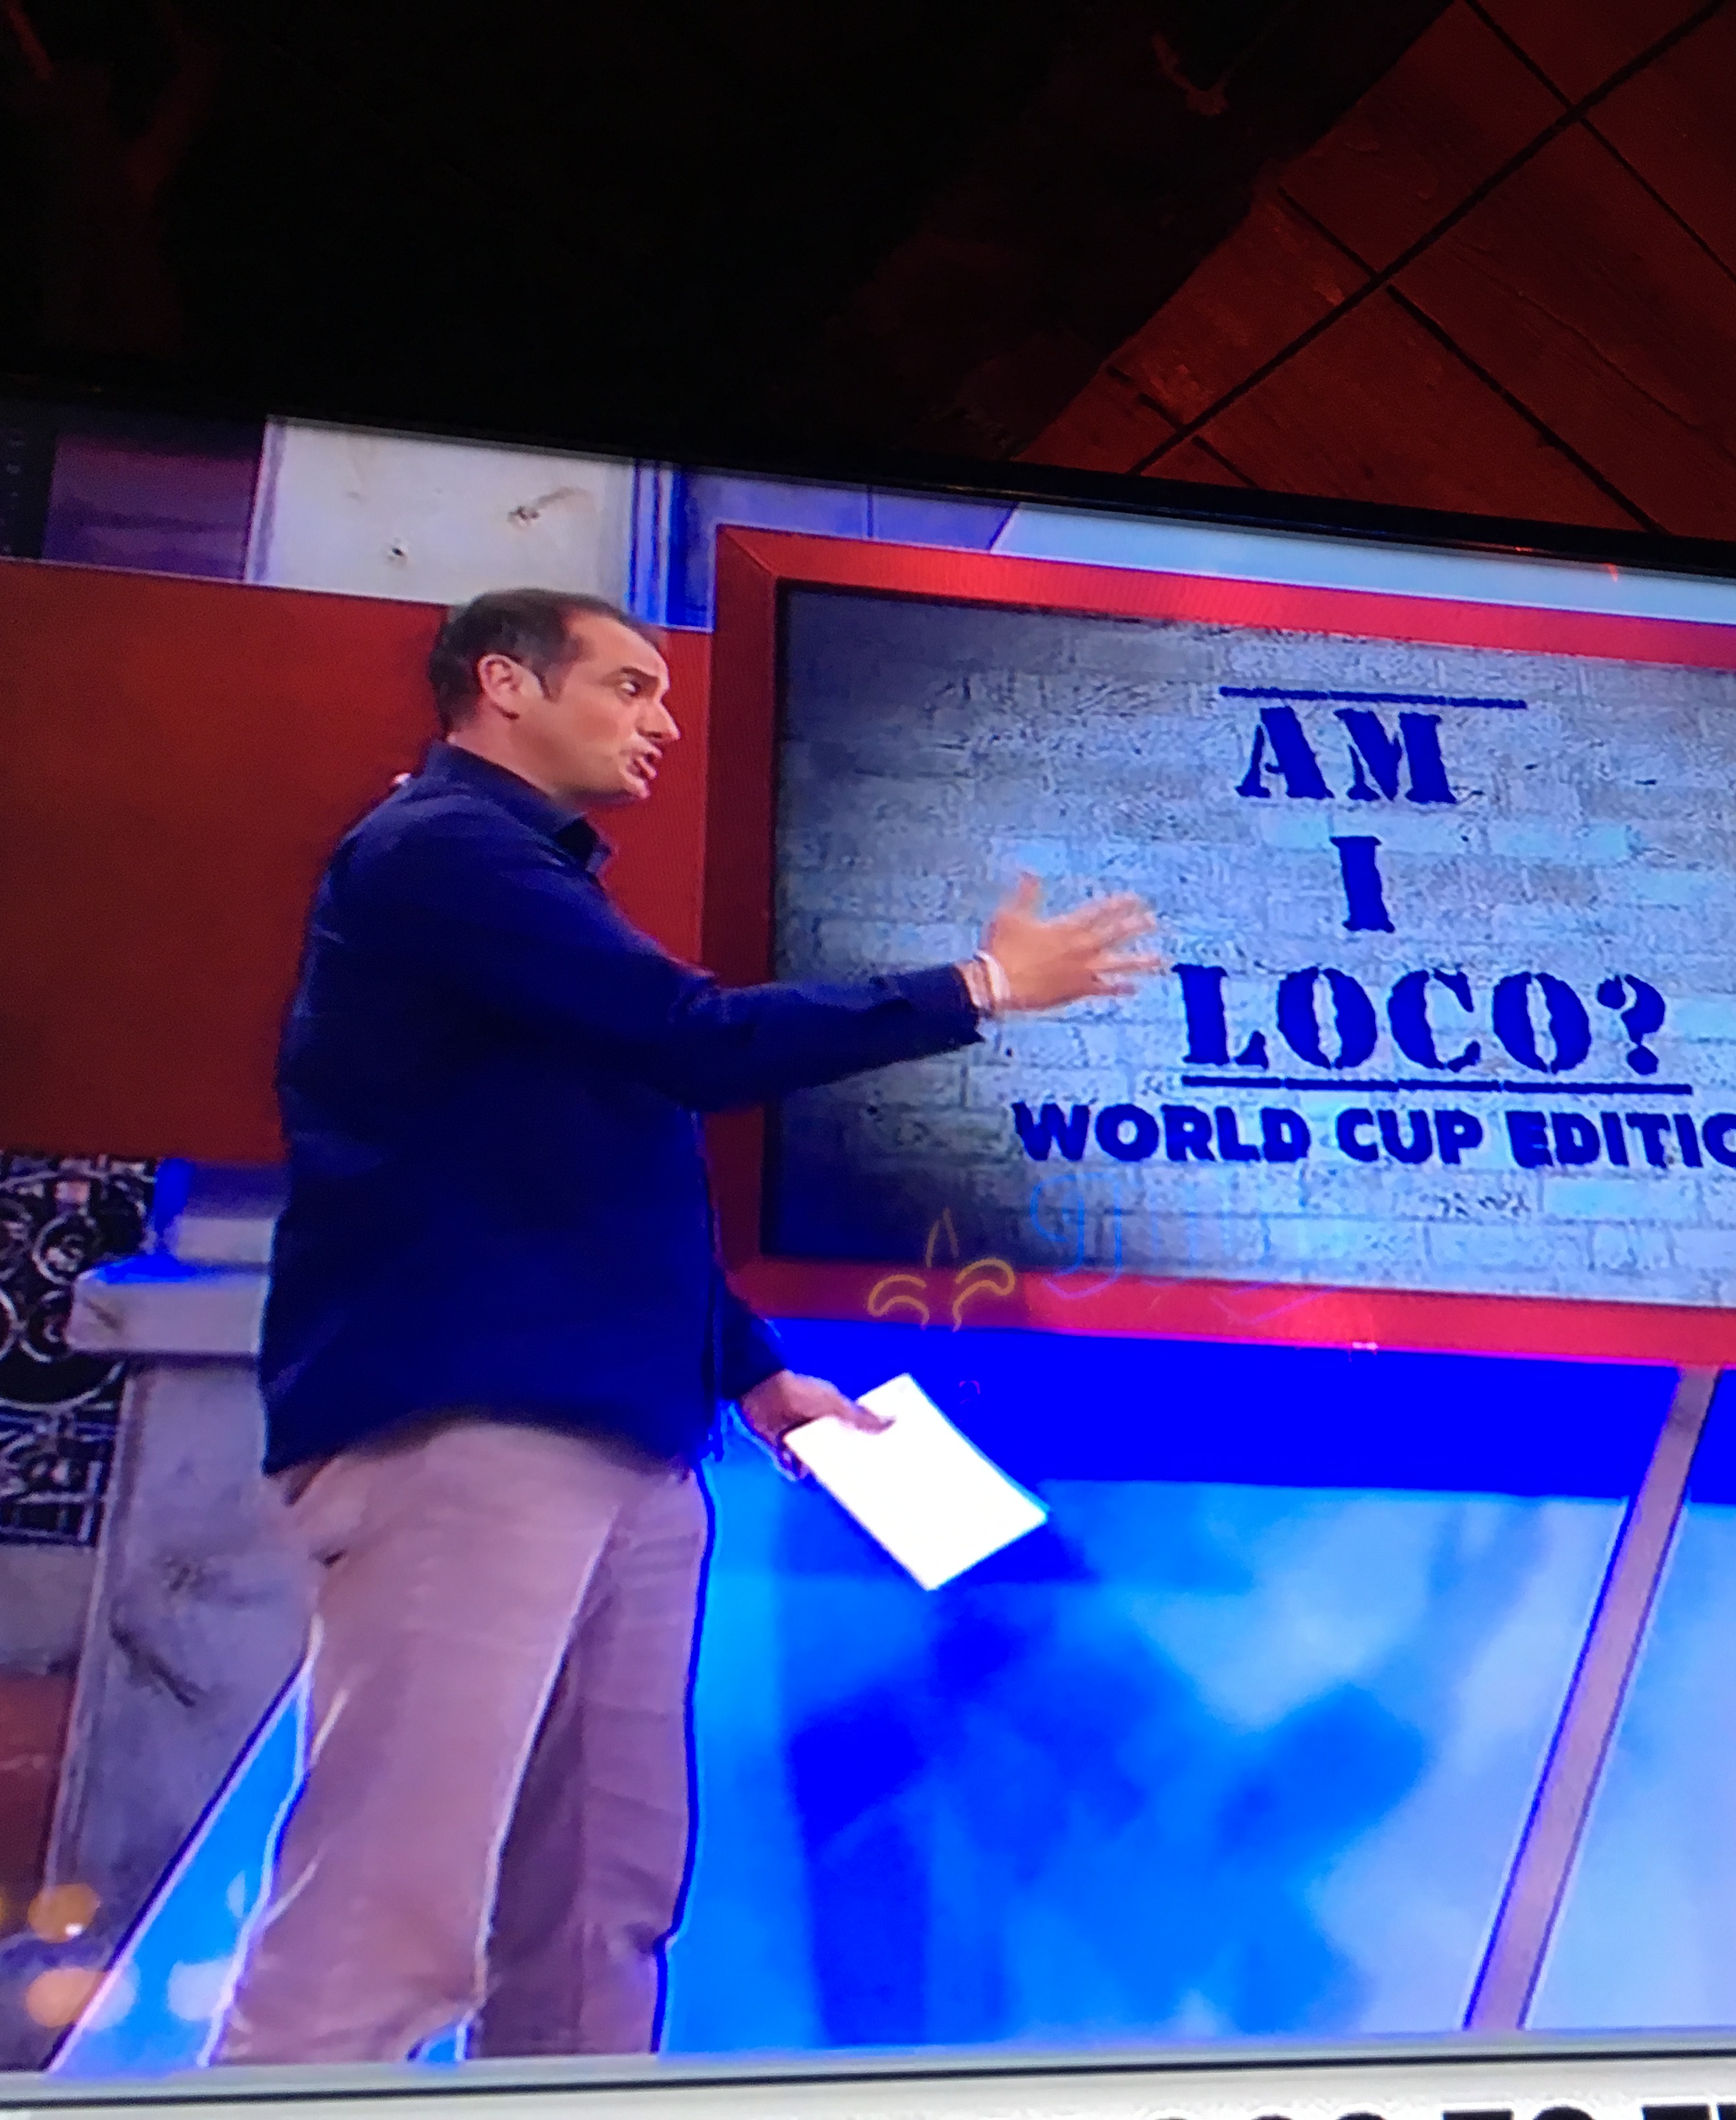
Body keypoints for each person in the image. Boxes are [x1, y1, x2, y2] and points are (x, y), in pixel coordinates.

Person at [214, 588, 1157, 2065]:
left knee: (602, 1896)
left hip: (627, 1440)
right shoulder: (438, 851)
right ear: (506, 683)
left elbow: (589, 1173)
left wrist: (757, 1375)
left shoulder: (536, 888)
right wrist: (976, 988)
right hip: (474, 1431)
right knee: (392, 1899)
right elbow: (692, 1042)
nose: (661, 720)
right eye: (630, 685)